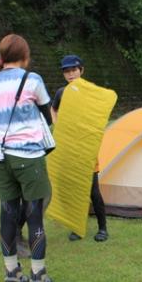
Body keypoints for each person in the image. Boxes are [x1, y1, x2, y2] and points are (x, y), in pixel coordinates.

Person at [0, 34, 53, 282]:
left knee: (7, 215)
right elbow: (47, 116)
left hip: (1, 158)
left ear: (1, 56)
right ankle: (38, 277)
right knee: (34, 216)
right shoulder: (32, 80)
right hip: (30, 158)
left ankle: (12, 275)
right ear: (25, 55)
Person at [51, 54, 109, 242]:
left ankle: (102, 228)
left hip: (86, 148)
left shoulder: (91, 91)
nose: (70, 74)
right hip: (69, 149)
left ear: (81, 70)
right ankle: (77, 227)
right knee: (73, 190)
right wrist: (58, 126)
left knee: (93, 191)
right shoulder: (61, 92)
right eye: (67, 71)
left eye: (74, 70)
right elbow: (53, 109)